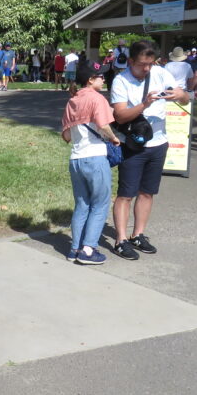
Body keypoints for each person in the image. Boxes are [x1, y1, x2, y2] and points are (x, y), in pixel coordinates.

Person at [110, 40, 189, 260]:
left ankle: (138, 234)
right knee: (126, 194)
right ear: (131, 61)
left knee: (147, 192)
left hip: (159, 143)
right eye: (142, 65)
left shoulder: (160, 73)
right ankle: (121, 239)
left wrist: (178, 96)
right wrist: (144, 104)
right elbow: (120, 116)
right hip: (132, 145)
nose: (146, 69)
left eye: (150, 64)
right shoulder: (121, 81)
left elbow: (185, 97)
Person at [61, 62, 120, 265]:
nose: (104, 79)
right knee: (100, 204)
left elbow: (67, 136)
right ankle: (88, 250)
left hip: (76, 159)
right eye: (100, 76)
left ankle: (74, 248)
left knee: (82, 204)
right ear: (90, 80)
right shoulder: (97, 98)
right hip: (95, 157)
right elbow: (103, 125)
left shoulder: (72, 101)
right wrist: (113, 138)